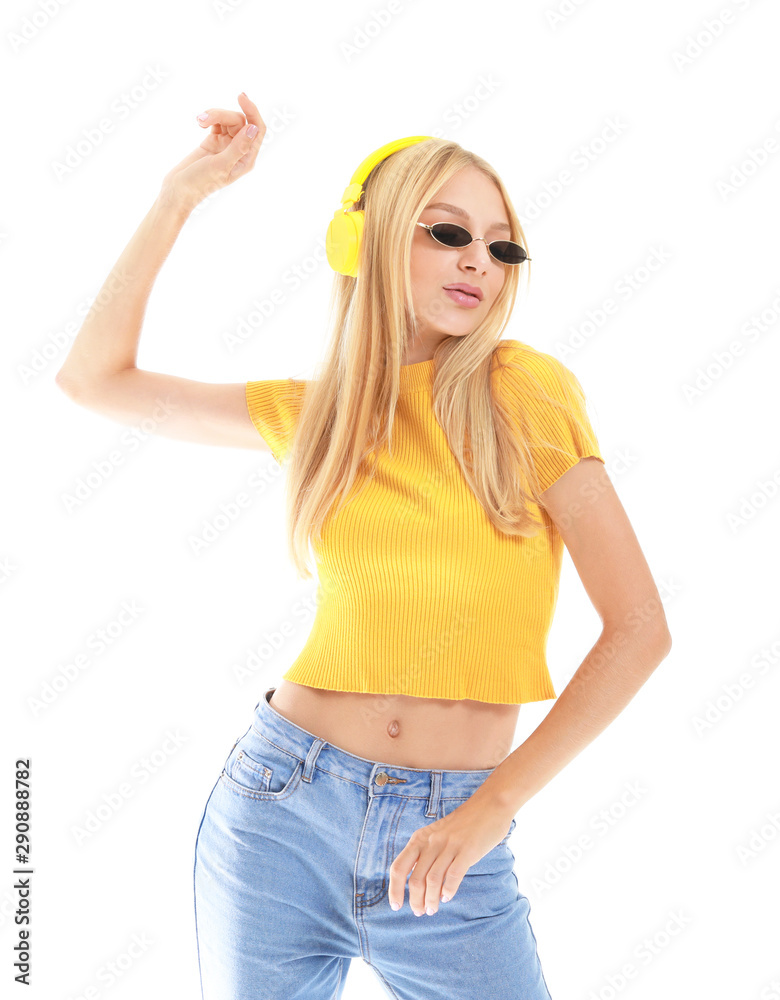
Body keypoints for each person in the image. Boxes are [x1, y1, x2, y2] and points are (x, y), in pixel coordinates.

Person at [56, 93, 672, 1000]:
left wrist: (491, 808)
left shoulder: (525, 393)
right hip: (277, 807)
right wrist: (181, 194)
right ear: (369, 241)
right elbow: (93, 380)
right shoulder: (319, 415)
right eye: (448, 232)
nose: (480, 262)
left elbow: (640, 629)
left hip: (451, 829)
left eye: (501, 246)